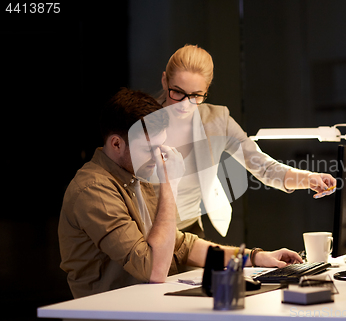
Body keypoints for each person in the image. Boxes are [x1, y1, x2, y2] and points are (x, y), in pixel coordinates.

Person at [58, 88, 303, 298]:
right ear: (116, 144)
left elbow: (180, 244)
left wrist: (255, 258)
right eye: (150, 149)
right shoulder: (93, 190)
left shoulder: (136, 174)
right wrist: (169, 184)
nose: (158, 157)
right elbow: (153, 268)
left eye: (162, 146)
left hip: (147, 307)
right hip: (110, 316)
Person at [157, 44, 337, 237]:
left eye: (196, 96)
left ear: (206, 91)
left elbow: (264, 167)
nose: (185, 104)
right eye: (177, 92)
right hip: (143, 231)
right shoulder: (139, 122)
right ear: (165, 80)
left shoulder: (217, 120)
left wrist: (307, 179)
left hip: (189, 232)